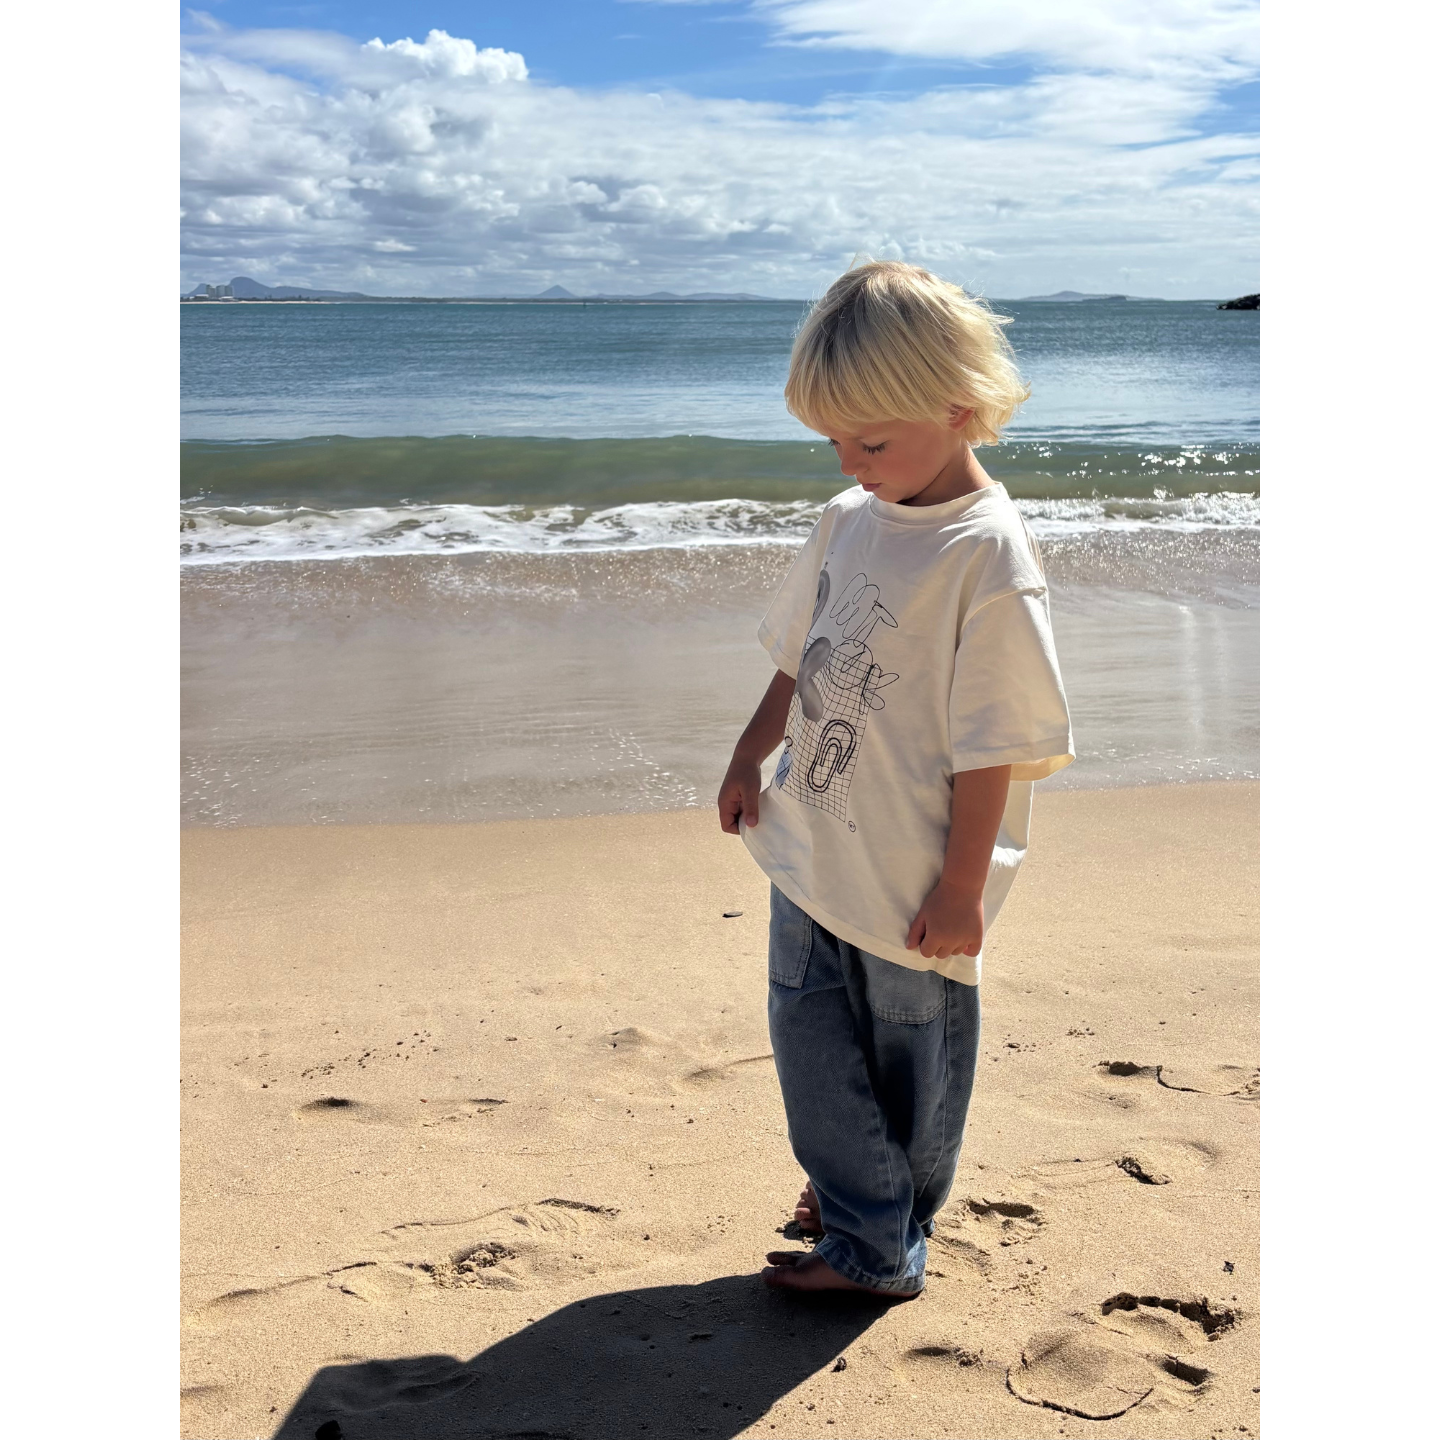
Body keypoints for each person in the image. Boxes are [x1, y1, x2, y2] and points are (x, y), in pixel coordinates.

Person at [716, 261, 1073, 1299]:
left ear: (958, 410)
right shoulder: (850, 520)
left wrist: (963, 889)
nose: (850, 461)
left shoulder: (985, 555)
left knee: (911, 1058)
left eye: (871, 441)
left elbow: (995, 741)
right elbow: (800, 654)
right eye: (834, 440)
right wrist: (749, 753)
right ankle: (852, 1193)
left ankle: (878, 1243)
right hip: (813, 839)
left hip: (917, 877)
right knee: (808, 1036)